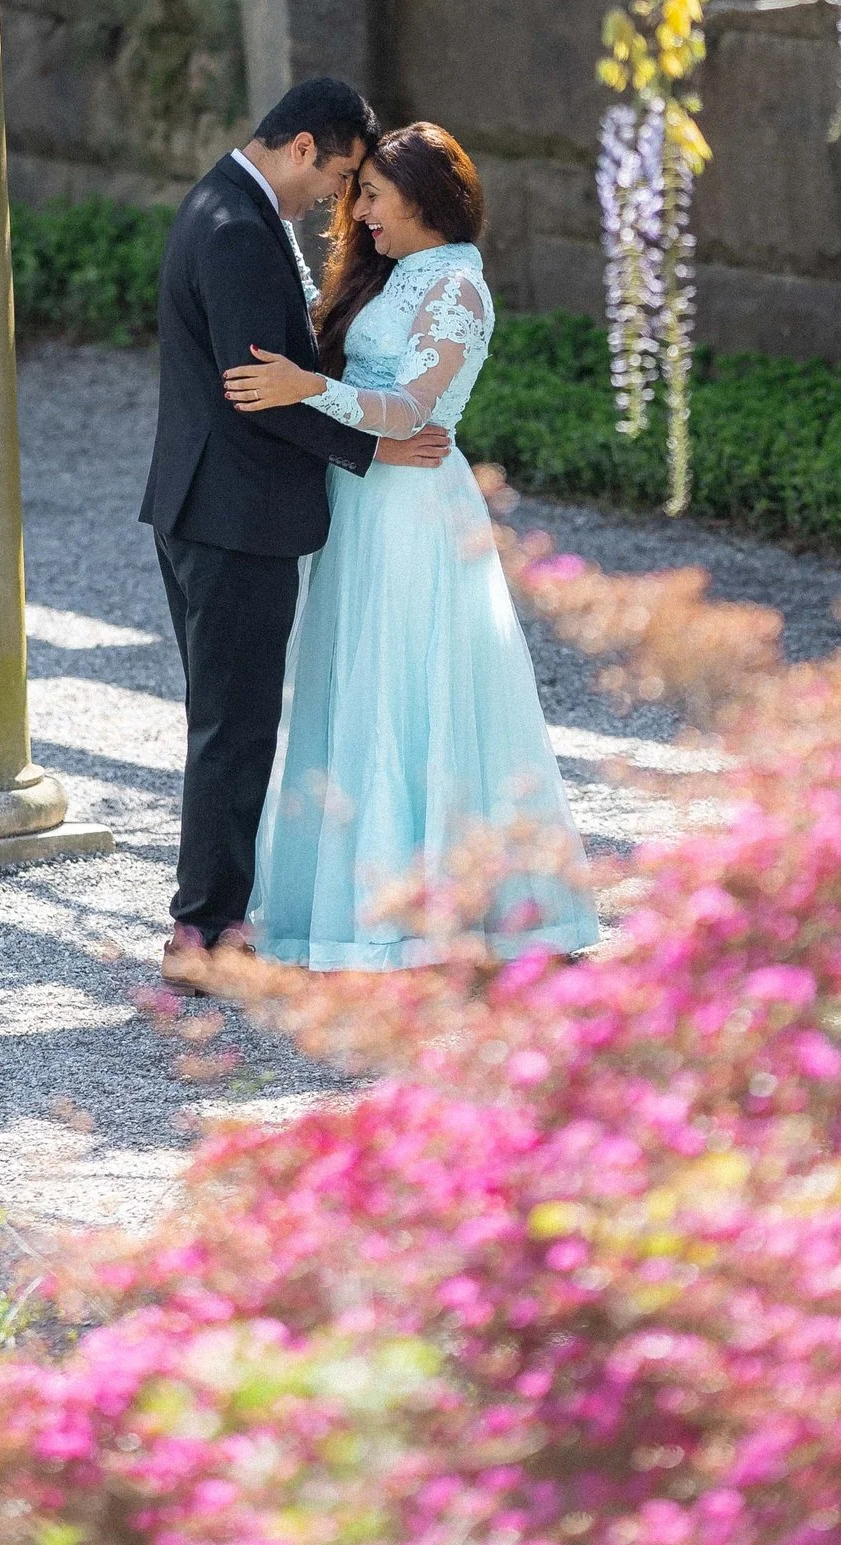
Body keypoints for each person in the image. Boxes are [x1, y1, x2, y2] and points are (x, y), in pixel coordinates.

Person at [223, 120, 600, 972]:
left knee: (409, 685)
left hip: (415, 510)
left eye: (375, 196)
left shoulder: (457, 290)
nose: (359, 214)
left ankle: (438, 910)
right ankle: (349, 904)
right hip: (360, 505)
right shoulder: (391, 279)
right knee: (352, 682)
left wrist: (304, 387)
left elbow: (416, 413)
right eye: (356, 196)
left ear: (427, 200)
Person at [140, 76, 450, 993]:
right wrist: (374, 449)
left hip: (207, 507)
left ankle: (212, 918)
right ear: (305, 146)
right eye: (342, 174)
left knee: (223, 720)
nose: (341, 199)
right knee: (234, 727)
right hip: (233, 516)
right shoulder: (236, 230)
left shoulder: (224, 203)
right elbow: (258, 396)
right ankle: (202, 936)